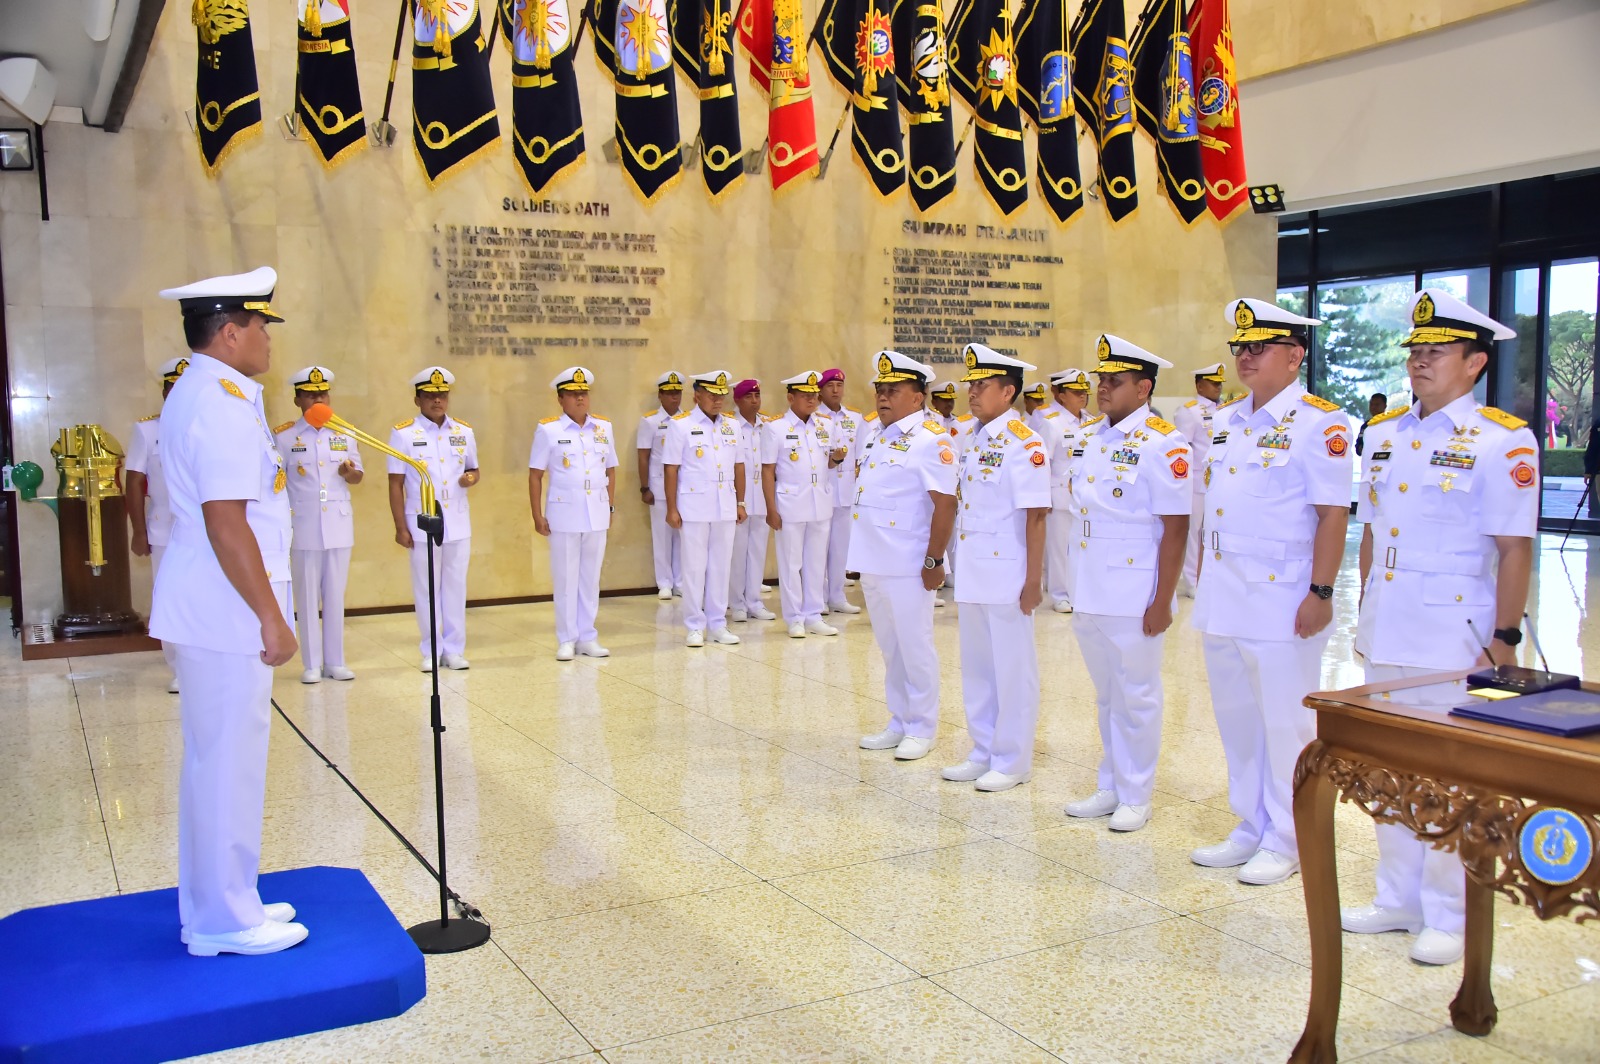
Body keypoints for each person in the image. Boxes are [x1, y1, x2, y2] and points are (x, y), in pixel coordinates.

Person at [1340, 289, 1536, 965]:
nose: (1419, 363)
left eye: (1437, 352)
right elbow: (1371, 531)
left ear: (1475, 362)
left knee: (1450, 774)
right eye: (1415, 352)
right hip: (1388, 622)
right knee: (1388, 768)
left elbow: (1514, 549)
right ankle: (1397, 896)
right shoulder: (1384, 434)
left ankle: (1449, 913)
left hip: (1455, 630)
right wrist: (1363, 609)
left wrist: (1504, 639)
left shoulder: (1502, 440)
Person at [149, 266, 308, 957]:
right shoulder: (217, 402)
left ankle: (223, 899)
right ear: (230, 332)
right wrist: (271, 616)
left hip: (217, 601)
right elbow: (226, 522)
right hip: (226, 607)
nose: (268, 338)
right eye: (261, 325)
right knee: (226, 765)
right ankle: (223, 920)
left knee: (219, 761)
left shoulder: (212, 391)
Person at [1188, 298, 1351, 886]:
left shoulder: (1320, 423)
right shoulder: (1228, 420)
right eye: (1241, 347)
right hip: (1225, 593)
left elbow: (1333, 514)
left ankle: (1289, 836)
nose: (1246, 357)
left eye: (1260, 347)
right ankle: (1251, 823)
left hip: (1282, 596)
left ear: (1294, 355)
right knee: (1238, 720)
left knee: (1286, 725)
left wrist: (1321, 591)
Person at [1062, 335, 1191, 833]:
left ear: (1143, 389)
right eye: (1101, 380)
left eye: (1114, 382)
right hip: (1090, 584)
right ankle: (1111, 783)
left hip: (1135, 589)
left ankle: (1137, 793)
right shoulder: (1091, 436)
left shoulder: (1164, 443)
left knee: (1137, 694)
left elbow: (1175, 528)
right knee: (1107, 694)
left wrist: (1163, 600)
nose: (1102, 389)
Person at [940, 344, 1049, 792]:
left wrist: (1033, 580)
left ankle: (1013, 760)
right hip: (973, 570)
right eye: (971, 385)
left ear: (1007, 392)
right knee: (978, 668)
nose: (972, 392)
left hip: (1007, 572)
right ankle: (983, 749)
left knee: (1012, 670)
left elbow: (1036, 515)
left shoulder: (1025, 443)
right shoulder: (972, 436)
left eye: (982, 385)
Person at [852, 351, 958, 761]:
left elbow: (945, 504)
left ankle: (922, 726)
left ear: (917, 397)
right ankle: (899, 720)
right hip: (874, 559)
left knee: (915, 646)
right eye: (880, 389)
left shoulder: (932, 440)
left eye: (893, 390)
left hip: (909, 562)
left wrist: (934, 560)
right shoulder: (877, 434)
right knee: (890, 647)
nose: (883, 396)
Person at [273, 366, 362, 685]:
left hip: (338, 524)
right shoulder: (284, 436)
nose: (318, 400)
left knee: (335, 596)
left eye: (323, 394)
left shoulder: (345, 432)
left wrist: (350, 473)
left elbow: (358, 475)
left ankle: (335, 661)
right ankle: (311, 663)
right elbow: (275, 484)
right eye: (311, 395)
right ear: (298, 399)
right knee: (307, 596)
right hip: (304, 525)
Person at [388, 366, 478, 672]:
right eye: (429, 395)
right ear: (418, 400)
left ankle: (454, 649)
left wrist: (470, 478)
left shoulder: (463, 432)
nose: (437, 400)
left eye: (442, 395)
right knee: (426, 588)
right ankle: (431, 649)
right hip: (423, 520)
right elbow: (395, 483)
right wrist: (400, 526)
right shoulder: (403, 434)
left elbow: (474, 468)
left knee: (455, 587)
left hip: (457, 520)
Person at [529, 366, 617, 661]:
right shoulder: (549, 430)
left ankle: (587, 636)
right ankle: (566, 638)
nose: (580, 398)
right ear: (560, 398)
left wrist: (610, 506)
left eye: (584, 393)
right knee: (566, 579)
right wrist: (537, 514)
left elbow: (610, 469)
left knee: (590, 579)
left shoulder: (603, 428)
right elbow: (535, 474)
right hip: (564, 513)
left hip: (597, 512)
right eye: (573, 394)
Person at [663, 370, 746, 647]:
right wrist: (672, 508)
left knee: (721, 567)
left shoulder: (732, 425)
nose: (718, 400)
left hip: (725, 504)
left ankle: (718, 624)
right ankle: (694, 625)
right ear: (697, 396)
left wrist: (741, 502)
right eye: (712, 395)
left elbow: (739, 466)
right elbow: (671, 469)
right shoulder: (680, 425)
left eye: (722, 395)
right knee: (694, 568)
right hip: (694, 505)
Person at [126, 356, 188, 694]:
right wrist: (139, 531)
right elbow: (134, 482)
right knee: (168, 599)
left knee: (202, 597)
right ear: (165, 392)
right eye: (173, 388)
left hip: (205, 531)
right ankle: (178, 668)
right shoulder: (148, 430)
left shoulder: (207, 426)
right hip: (164, 529)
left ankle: (201, 663)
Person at [762, 370, 837, 638]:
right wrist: (771, 508)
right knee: (791, 563)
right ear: (791, 397)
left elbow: (827, 462)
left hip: (820, 501)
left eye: (814, 395)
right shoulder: (775, 427)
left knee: (816, 562)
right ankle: (794, 617)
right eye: (805, 395)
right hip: (790, 502)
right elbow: (768, 470)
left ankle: (814, 614)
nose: (812, 400)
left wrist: (837, 459)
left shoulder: (826, 424)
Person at [1173, 362, 1225, 598]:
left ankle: (1212, 576)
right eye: (1213, 383)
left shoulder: (1225, 410)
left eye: (1220, 383)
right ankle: (1193, 580)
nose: (1218, 387)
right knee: (1195, 532)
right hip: (1196, 480)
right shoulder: (1190, 411)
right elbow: (1182, 449)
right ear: (1200, 385)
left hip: (1221, 480)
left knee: (1215, 529)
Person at [816, 368, 866, 615]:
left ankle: (837, 595)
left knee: (840, 548)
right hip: (821, 489)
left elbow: (862, 455)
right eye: (830, 386)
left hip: (846, 490)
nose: (836, 390)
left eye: (839, 385)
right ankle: (818, 598)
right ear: (820, 390)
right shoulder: (814, 417)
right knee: (817, 549)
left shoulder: (855, 418)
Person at [1042, 368, 1091, 614]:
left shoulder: (1092, 422)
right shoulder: (1052, 423)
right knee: (1060, 549)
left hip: (1086, 497)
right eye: (1075, 392)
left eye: (1084, 392)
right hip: (1060, 496)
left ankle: (1079, 591)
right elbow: (1043, 464)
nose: (1082, 396)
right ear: (1061, 395)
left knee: (1082, 546)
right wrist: (1044, 498)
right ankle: (1060, 594)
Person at [729, 379, 777, 624]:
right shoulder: (729, 425)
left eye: (757, 396)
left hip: (762, 494)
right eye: (749, 396)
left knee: (758, 552)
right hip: (739, 496)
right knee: (737, 554)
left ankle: (754, 601)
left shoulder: (768, 425)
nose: (755, 401)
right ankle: (736, 603)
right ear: (737, 400)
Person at [636, 371, 685, 599]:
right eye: (669, 393)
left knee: (683, 536)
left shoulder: (688, 421)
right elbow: (643, 456)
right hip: (659, 486)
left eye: (678, 392)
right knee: (662, 535)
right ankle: (664, 582)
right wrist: (644, 487)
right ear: (660, 395)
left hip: (685, 486)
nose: (674, 397)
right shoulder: (650, 421)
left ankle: (681, 581)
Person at [1355, 392, 1388, 456]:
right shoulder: (1366, 426)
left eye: (1377, 405)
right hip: (1369, 459)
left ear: (1385, 406)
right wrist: (1361, 449)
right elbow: (1358, 446)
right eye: (1371, 404)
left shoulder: (1390, 424)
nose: (1373, 407)